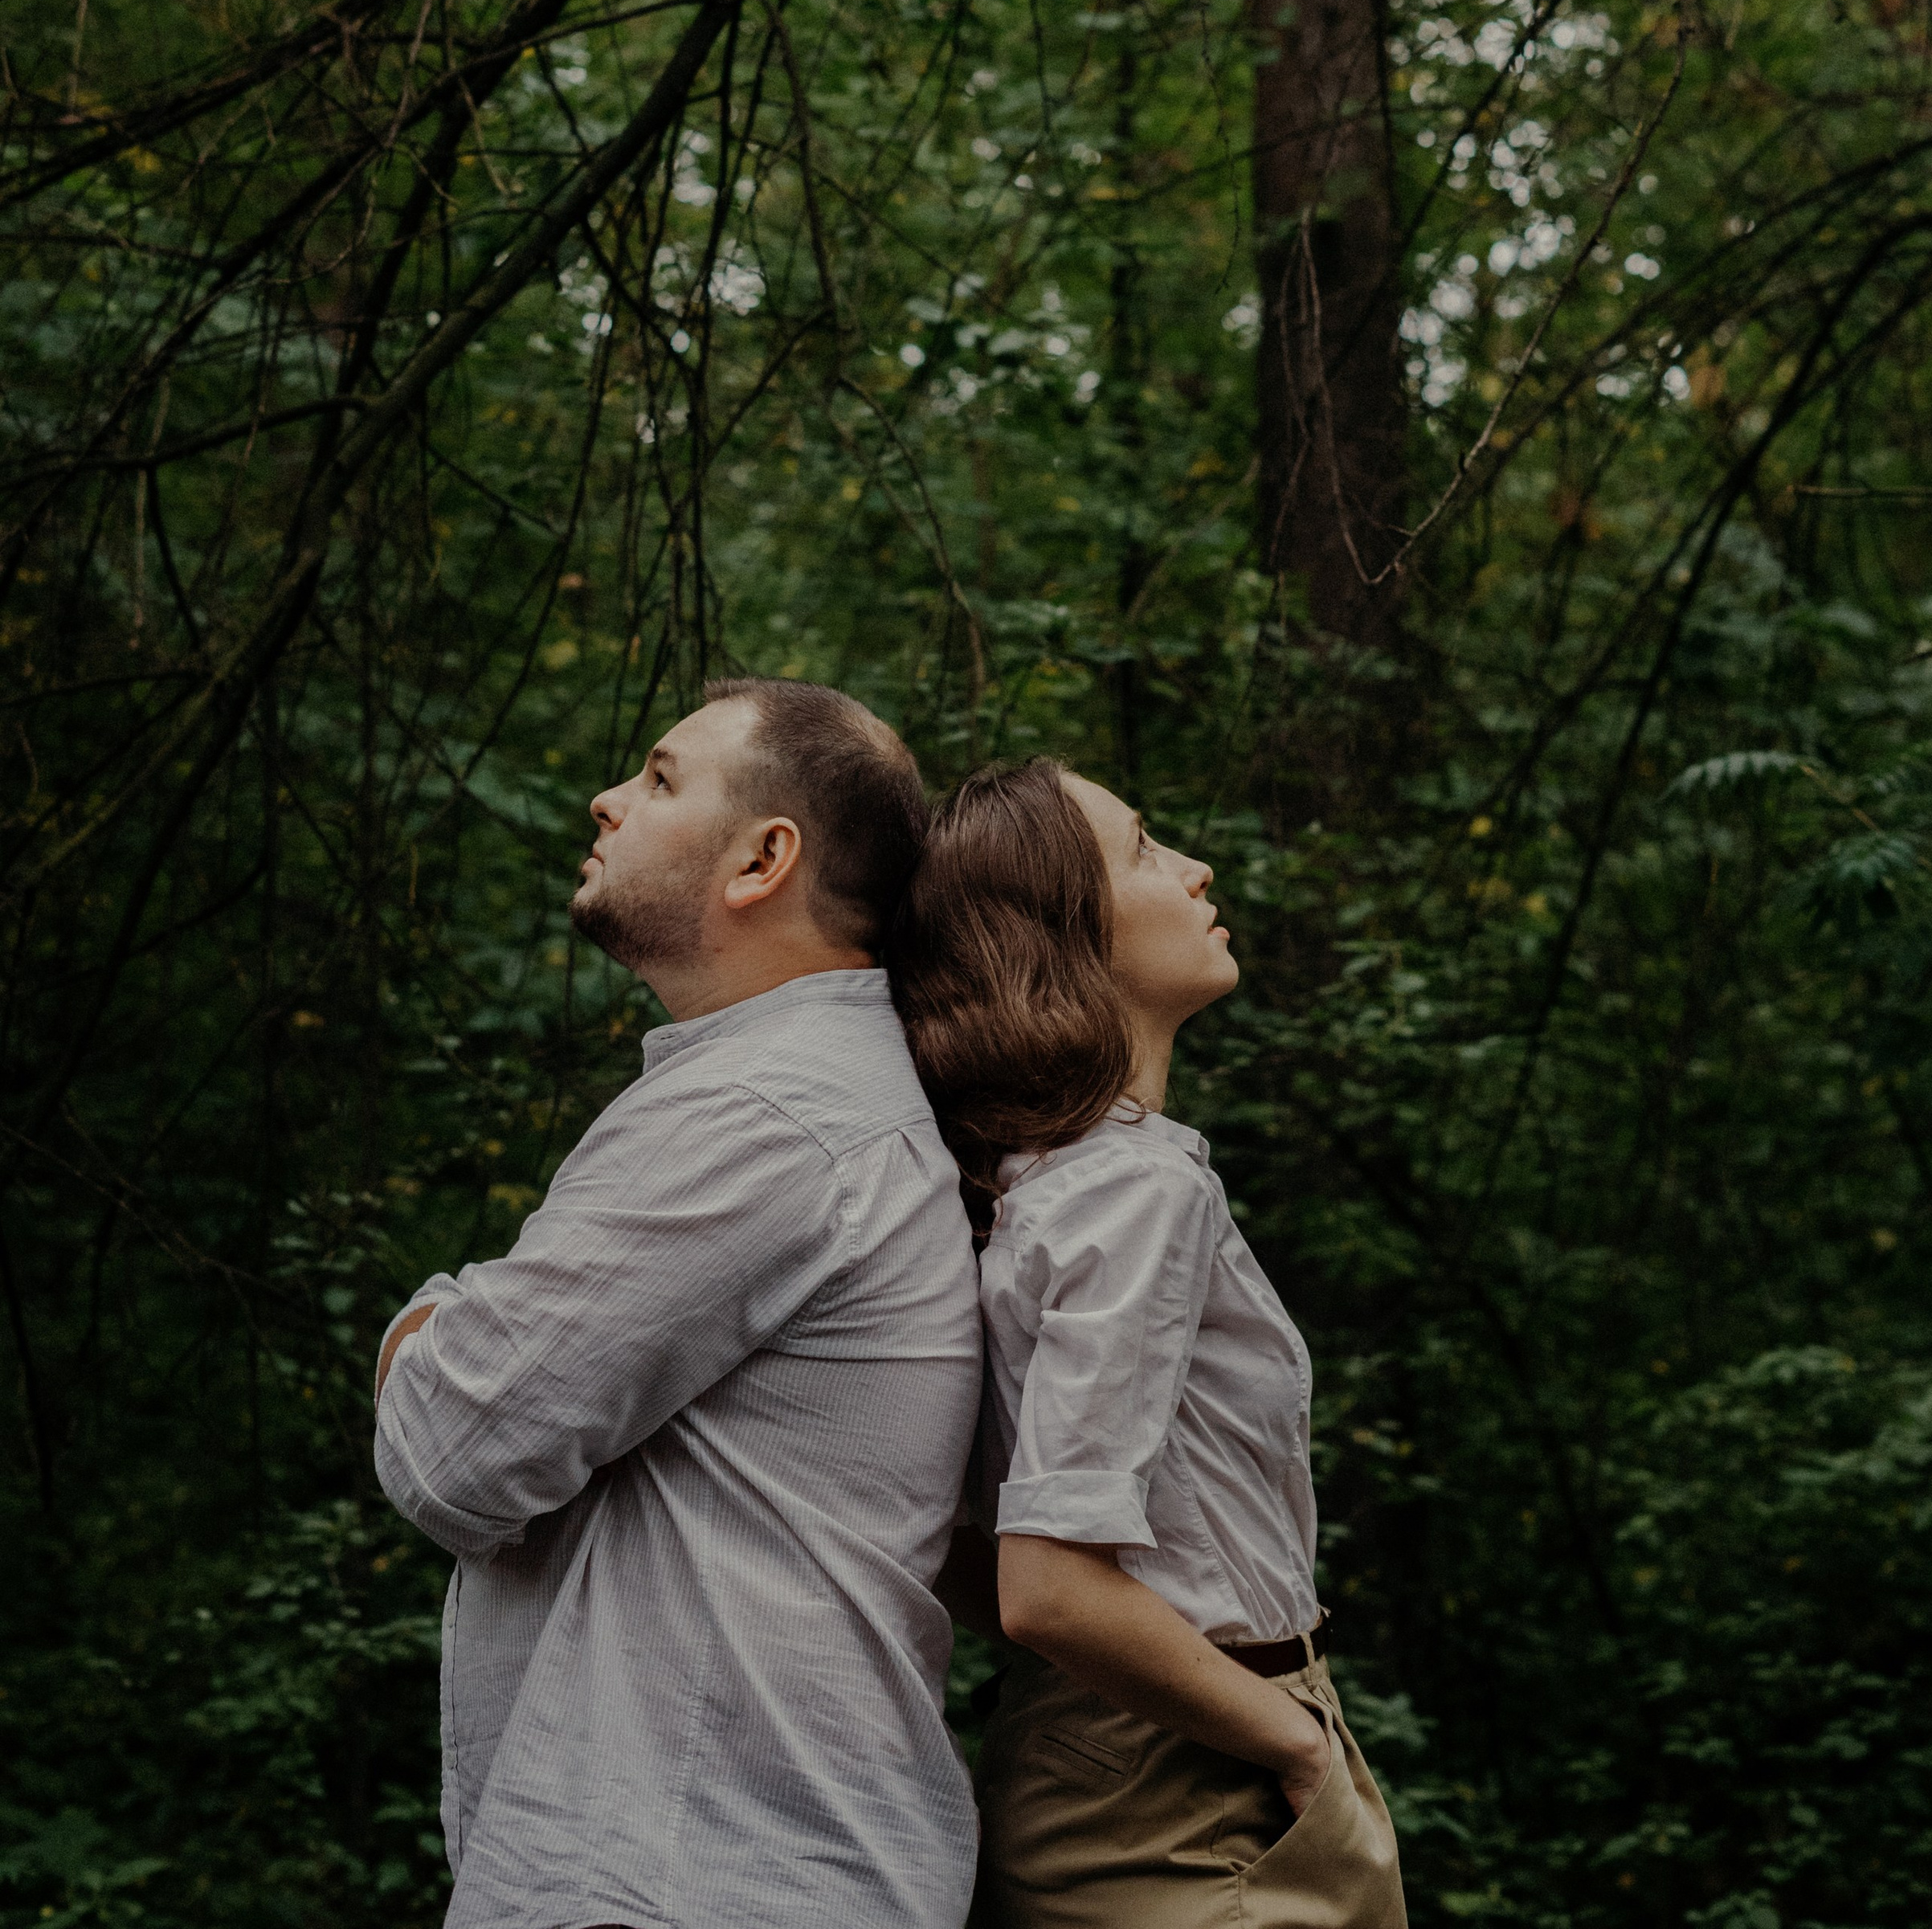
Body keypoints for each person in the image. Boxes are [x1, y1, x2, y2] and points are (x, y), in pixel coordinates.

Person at [372, 678, 982, 1929]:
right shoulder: (808, 1097)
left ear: (765, 859)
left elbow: (453, 1450)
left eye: (658, 779)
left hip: (694, 1876)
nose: (606, 800)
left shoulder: (765, 1113)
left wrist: (422, 1319)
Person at [892, 757, 1408, 1929]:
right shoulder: (1129, 1192)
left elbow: (963, 1550)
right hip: (1192, 1781)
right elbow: (1051, 1590)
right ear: (1058, 942)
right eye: (1143, 852)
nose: (1195, 869)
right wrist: (1295, 1740)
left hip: (1124, 1755)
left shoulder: (1037, 1191)